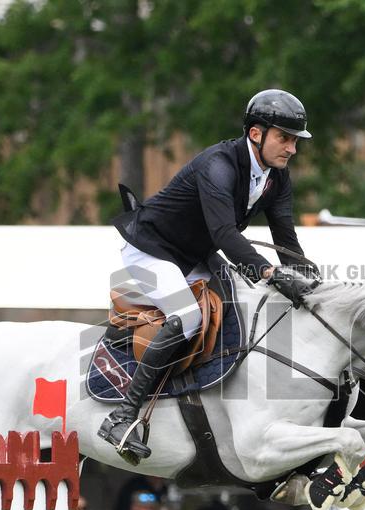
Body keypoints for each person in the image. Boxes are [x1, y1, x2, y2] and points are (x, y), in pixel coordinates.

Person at [100, 89, 320, 464]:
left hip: (195, 253)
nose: (292, 149)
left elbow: (286, 239)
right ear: (256, 134)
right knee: (188, 317)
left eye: (295, 141)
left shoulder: (276, 178)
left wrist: (310, 280)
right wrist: (268, 271)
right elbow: (224, 235)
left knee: (249, 302)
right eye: (284, 138)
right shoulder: (217, 165)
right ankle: (122, 417)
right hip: (150, 249)